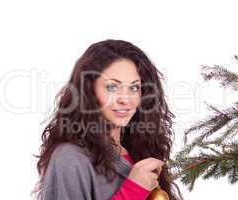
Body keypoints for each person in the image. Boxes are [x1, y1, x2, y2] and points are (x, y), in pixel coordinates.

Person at [33, 39, 182, 200]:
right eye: (112, 87)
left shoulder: (140, 151)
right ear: (88, 91)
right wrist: (132, 191)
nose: (125, 99)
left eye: (134, 87)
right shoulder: (70, 159)